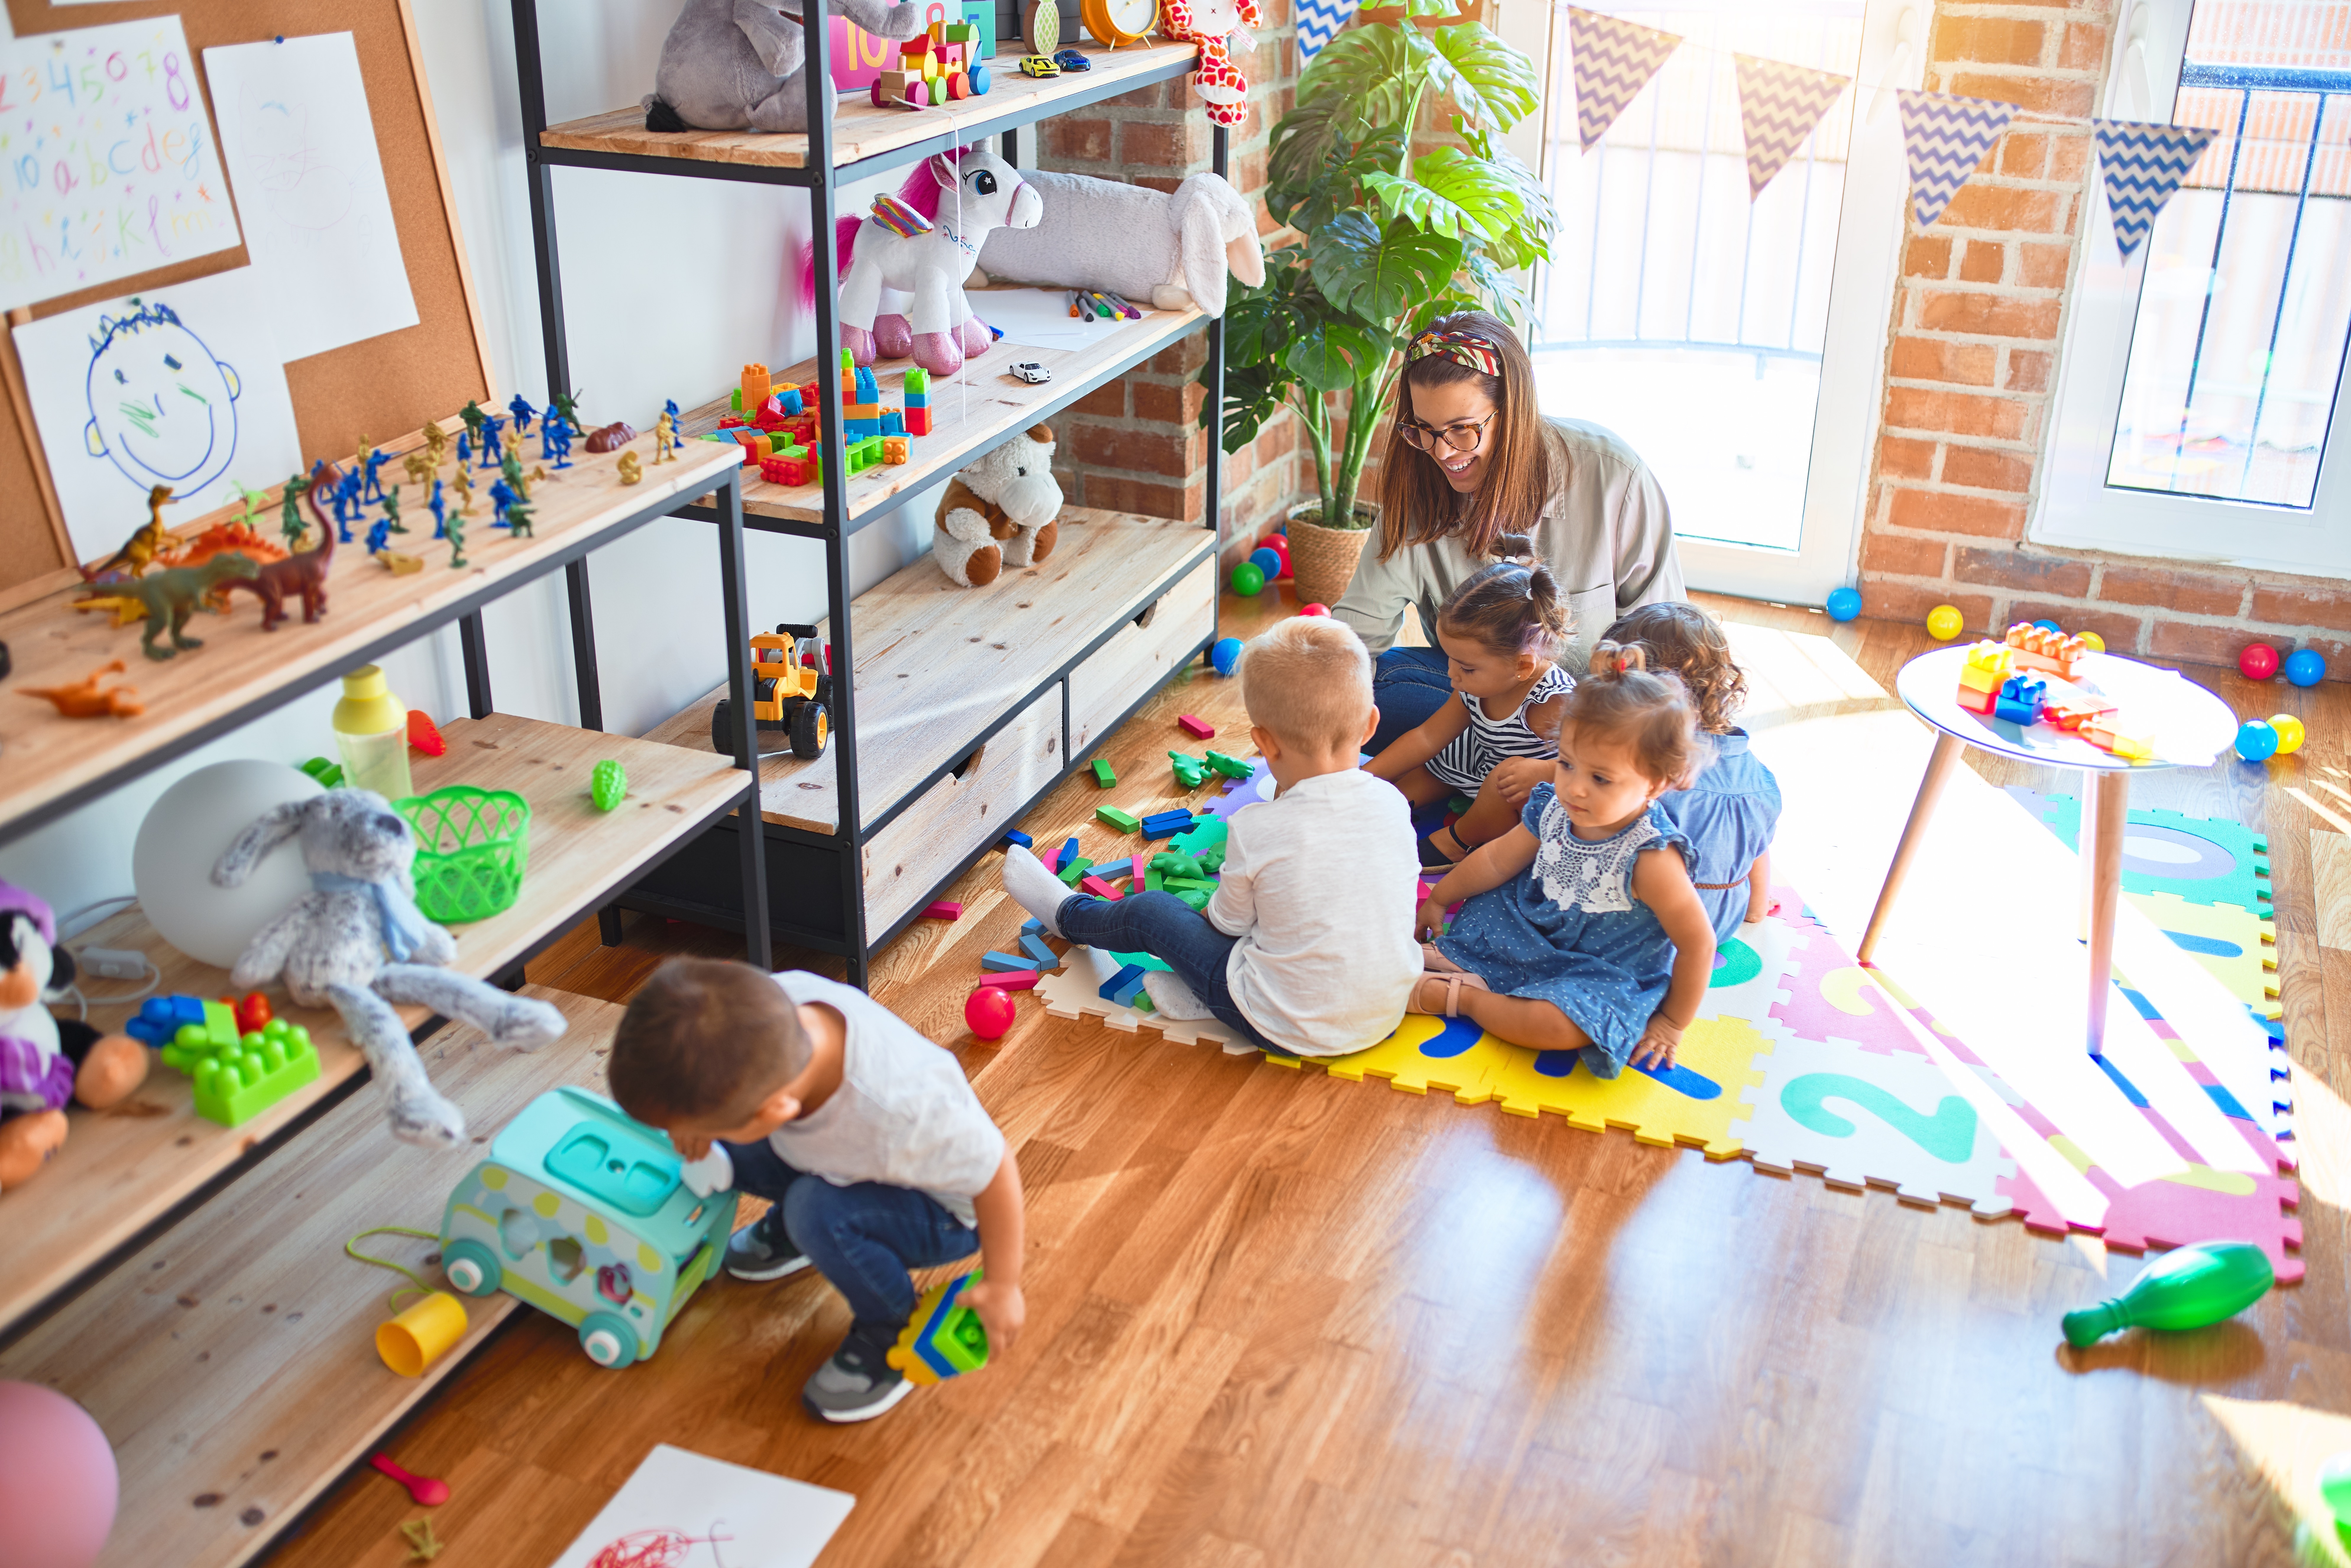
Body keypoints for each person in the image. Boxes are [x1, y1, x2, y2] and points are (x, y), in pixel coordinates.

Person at [605, 958, 1026, 1423]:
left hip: (941, 1212)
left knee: (814, 1212)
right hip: (843, 1156)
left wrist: (1003, 1286)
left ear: (777, 1110)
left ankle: (888, 1324)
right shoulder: (767, 1014)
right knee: (728, 1148)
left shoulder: (904, 1109)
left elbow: (996, 1169)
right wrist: (699, 1129)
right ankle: (798, 1226)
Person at [1001, 617, 1421, 1057]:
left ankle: (1069, 916)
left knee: (1153, 912)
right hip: (1382, 1015)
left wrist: (1212, 911)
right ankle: (1203, 997)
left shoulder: (1258, 826)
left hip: (1285, 1025)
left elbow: (1227, 925)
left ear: (1264, 744)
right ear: (1371, 725)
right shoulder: (1393, 803)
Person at [1333, 310, 1684, 752]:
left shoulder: (1616, 479)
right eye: (1424, 429)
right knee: (1374, 686)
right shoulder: (1417, 491)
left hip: (1595, 721)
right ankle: (1498, 773)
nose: (1441, 453)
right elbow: (1353, 643)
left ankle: (1515, 775)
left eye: (1463, 430)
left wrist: (1597, 748)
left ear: (1515, 411)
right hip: (1478, 702)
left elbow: (1668, 651)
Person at [1408, 645, 1717, 1078]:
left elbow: (1699, 944)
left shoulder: (1652, 858)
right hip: (1531, 926)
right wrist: (1441, 898)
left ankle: (1463, 997)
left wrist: (1671, 1022)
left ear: (1656, 785)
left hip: (1600, 970)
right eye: (1568, 764)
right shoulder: (1555, 803)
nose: (1575, 789)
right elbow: (1498, 860)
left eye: (1601, 779)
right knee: (1492, 892)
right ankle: (1461, 958)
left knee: (1560, 1027)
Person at [1366, 557, 1573, 868]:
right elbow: (1427, 737)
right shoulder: (1472, 685)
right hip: (1473, 763)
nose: (1451, 674)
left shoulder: (1554, 703)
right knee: (1385, 798)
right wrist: (1362, 779)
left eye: (1465, 667)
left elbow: (1591, 766)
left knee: (1505, 777)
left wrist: (1546, 772)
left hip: (1517, 790)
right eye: (1449, 659)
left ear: (1522, 666)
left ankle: (1458, 840)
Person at [1604, 602, 1781, 942]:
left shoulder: (1653, 771)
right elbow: (1757, 848)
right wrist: (1755, 906)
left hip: (1653, 927)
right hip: (1722, 922)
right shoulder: (1759, 777)